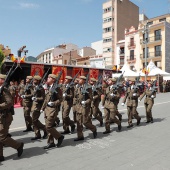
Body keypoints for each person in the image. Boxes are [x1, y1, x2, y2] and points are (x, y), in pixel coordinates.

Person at [0, 74, 24, 162]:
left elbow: (9, 102)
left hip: (5, 117)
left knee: (2, 137)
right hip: (1, 116)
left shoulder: (4, 90)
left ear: (2, 80)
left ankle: (18, 145)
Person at [41, 74, 64, 149]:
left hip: (53, 109)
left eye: (49, 78)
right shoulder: (48, 87)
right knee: (49, 126)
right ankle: (51, 142)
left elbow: (60, 99)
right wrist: (42, 108)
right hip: (47, 110)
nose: (47, 78)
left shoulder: (57, 88)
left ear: (53, 79)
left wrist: (54, 103)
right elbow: (46, 99)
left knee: (48, 126)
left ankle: (59, 136)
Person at [74, 76, 97, 141]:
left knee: (85, 122)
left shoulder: (88, 88)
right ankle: (80, 136)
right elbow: (75, 96)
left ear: (84, 80)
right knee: (78, 122)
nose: (78, 80)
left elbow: (91, 98)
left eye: (80, 79)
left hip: (85, 107)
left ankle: (93, 128)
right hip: (78, 106)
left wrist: (86, 102)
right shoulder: (78, 87)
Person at [31, 75, 47, 140]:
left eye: (35, 80)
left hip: (38, 106)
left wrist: (36, 98)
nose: (33, 81)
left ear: (37, 81)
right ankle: (37, 134)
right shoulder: (34, 87)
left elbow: (43, 98)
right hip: (33, 106)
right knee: (34, 121)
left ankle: (45, 129)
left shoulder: (41, 88)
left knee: (34, 120)